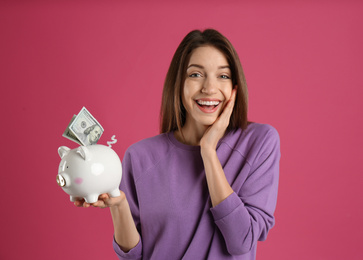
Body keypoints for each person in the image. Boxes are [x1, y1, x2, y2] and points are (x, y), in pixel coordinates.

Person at [75, 29, 280, 260]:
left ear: (235, 86)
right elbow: (133, 256)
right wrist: (119, 205)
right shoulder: (140, 156)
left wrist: (208, 152)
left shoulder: (259, 142)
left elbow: (241, 240)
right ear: (178, 84)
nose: (209, 88)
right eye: (195, 75)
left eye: (223, 76)